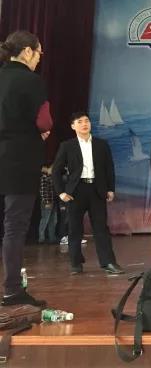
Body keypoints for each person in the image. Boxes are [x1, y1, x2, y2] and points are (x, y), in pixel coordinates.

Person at [0, 31, 51, 307]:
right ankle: (12, 290)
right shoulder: (31, 81)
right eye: (39, 52)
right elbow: (44, 121)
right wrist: (42, 132)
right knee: (15, 227)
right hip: (19, 161)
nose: (40, 58)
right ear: (28, 51)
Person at [52, 112, 124, 275]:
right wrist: (61, 192)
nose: (84, 124)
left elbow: (109, 168)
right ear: (73, 126)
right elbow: (56, 171)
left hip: (96, 189)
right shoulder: (67, 145)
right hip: (76, 191)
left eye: (86, 121)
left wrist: (110, 189)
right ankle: (76, 263)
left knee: (101, 228)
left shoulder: (101, 144)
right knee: (74, 228)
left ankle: (108, 262)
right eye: (80, 122)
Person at [38, 165, 58, 244]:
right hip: (47, 202)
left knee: (53, 221)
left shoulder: (51, 178)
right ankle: (41, 238)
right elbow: (43, 191)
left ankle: (52, 238)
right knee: (45, 220)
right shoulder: (44, 178)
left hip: (53, 201)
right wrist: (47, 202)